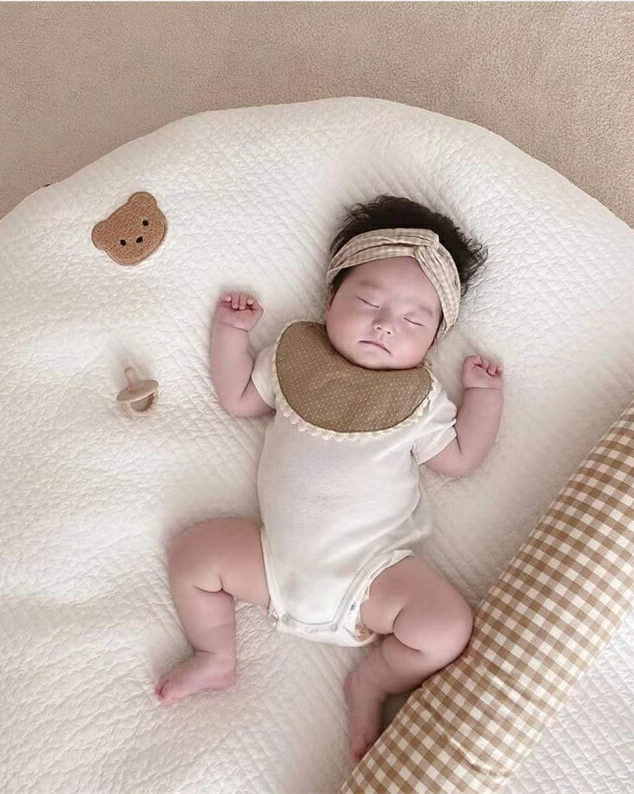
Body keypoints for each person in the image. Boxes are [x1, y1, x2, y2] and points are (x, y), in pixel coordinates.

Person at [155, 194, 504, 763]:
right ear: (330, 299)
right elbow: (238, 397)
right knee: (193, 553)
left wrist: (483, 397)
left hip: (372, 576)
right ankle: (215, 655)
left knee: (445, 626)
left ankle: (372, 681)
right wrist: (231, 334)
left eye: (414, 320)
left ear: (433, 341)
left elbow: (461, 458)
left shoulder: (418, 400)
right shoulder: (295, 356)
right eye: (367, 301)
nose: (385, 324)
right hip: (273, 561)